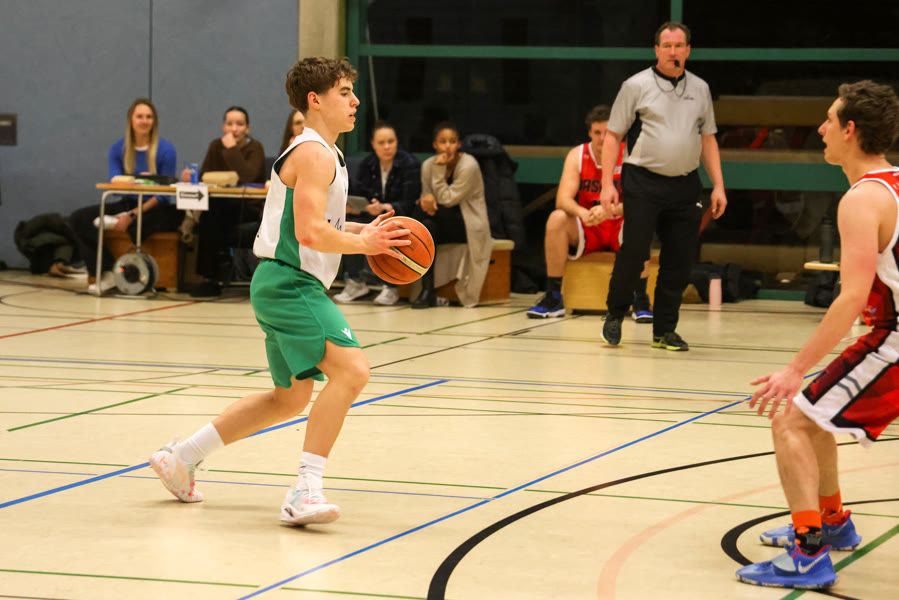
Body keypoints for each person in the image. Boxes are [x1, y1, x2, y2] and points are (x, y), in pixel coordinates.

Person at [148, 57, 410, 526]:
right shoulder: (313, 154)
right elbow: (309, 233)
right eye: (344, 92)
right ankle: (305, 491)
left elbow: (315, 224)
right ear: (315, 100)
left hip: (279, 280)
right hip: (291, 282)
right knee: (353, 371)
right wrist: (364, 244)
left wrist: (363, 231)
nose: (355, 101)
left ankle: (181, 457)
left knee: (288, 399)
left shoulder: (323, 152)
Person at [735, 81, 899, 589]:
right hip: (887, 334)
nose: (821, 128)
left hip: (893, 341)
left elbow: (850, 298)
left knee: (789, 419)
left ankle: (808, 554)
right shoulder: (894, 184)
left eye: (829, 119)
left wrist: (794, 368)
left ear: (851, 131)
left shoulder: (861, 200)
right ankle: (832, 523)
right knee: (813, 417)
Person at [598, 21, 727, 351]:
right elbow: (613, 135)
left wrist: (718, 185)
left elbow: (708, 138)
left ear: (688, 50)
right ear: (657, 50)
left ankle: (664, 330)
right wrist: (607, 184)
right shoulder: (635, 85)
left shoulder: (700, 88)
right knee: (635, 251)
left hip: (685, 184)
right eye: (666, 45)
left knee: (679, 259)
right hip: (643, 180)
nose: (673, 51)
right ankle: (615, 314)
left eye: (679, 45)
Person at [527, 105, 653, 321]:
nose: (602, 138)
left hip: (621, 225)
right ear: (589, 133)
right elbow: (563, 199)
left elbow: (643, 201)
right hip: (590, 225)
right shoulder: (577, 155)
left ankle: (640, 298)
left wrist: (611, 210)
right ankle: (554, 296)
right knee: (557, 218)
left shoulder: (632, 154)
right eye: (597, 132)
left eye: (608, 132)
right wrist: (583, 213)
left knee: (641, 218)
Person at [69, 98, 180, 294]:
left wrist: (133, 214)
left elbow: (163, 194)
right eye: (139, 116)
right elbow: (115, 182)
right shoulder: (118, 149)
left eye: (149, 117)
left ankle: (122, 229)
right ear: (131, 120)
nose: (144, 121)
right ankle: (107, 271)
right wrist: (141, 182)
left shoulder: (166, 150)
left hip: (153, 206)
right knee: (79, 218)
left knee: (142, 223)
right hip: (127, 201)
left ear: (154, 121)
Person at [334, 120, 421, 305]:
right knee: (352, 225)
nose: (387, 147)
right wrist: (360, 207)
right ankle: (355, 282)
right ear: (373, 144)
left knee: (389, 228)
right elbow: (360, 194)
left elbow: (409, 202)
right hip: (372, 214)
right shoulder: (368, 164)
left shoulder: (410, 164)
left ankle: (390, 285)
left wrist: (384, 207)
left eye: (391, 141)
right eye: (381, 143)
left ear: (397, 142)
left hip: (400, 216)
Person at [187, 106, 267, 297]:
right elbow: (205, 175)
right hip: (219, 206)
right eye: (230, 124)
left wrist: (231, 149)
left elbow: (248, 175)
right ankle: (210, 278)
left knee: (213, 214)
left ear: (247, 128)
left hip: (247, 207)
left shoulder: (255, 148)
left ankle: (214, 276)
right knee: (211, 213)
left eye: (239, 124)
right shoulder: (216, 145)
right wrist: (190, 176)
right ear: (224, 127)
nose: (234, 129)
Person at [411, 122, 491, 308]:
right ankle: (427, 290)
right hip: (440, 219)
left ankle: (417, 285)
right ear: (435, 145)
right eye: (443, 141)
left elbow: (447, 199)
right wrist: (426, 201)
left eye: (452, 141)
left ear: (459, 144)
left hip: (467, 223)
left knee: (420, 216)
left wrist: (439, 171)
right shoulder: (428, 165)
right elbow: (427, 197)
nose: (448, 146)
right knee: (427, 226)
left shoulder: (469, 165)